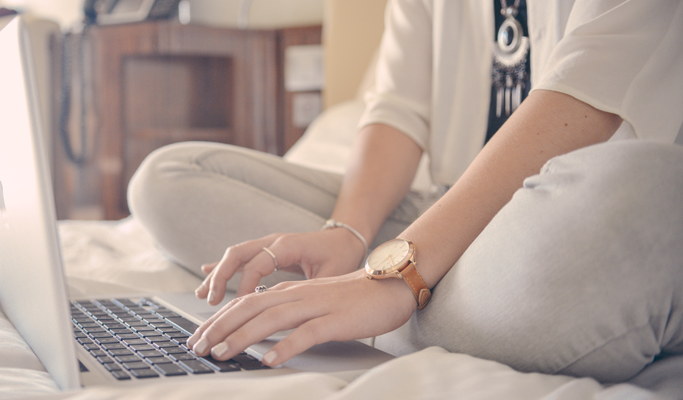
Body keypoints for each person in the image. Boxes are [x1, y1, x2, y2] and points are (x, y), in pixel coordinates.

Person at [128, 0, 683, 383]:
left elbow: (583, 94)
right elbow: (398, 107)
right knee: (170, 179)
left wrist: (395, 279)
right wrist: (348, 232)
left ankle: (384, 301)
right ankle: (388, 298)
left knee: (646, 190)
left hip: (567, 222)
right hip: (445, 208)